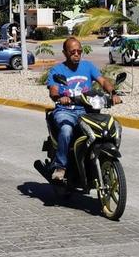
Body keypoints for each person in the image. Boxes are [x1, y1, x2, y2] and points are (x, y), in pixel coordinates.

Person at [45, 36, 119, 183]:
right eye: (73, 52)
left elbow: (102, 81)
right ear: (65, 52)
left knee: (111, 126)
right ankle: (61, 167)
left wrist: (113, 93)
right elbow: (53, 90)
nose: (77, 54)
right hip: (66, 111)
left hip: (87, 111)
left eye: (79, 51)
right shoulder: (57, 70)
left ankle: (98, 158)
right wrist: (60, 97)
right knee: (66, 130)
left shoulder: (88, 66)